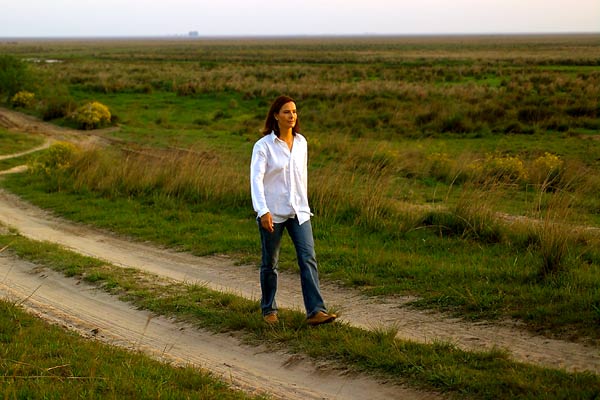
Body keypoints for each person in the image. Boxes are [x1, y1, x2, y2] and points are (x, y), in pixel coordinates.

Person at [250, 95, 336, 326]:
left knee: (308, 258)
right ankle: (269, 310)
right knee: (270, 263)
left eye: (295, 112)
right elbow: (256, 180)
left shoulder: (302, 143)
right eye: (287, 112)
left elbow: (301, 179)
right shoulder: (263, 146)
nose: (292, 116)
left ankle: (316, 311)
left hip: (299, 212)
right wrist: (262, 211)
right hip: (273, 213)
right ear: (276, 115)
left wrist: (303, 205)